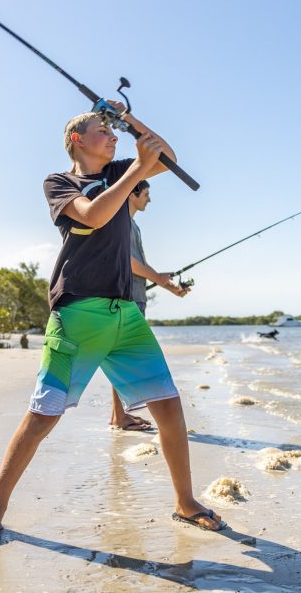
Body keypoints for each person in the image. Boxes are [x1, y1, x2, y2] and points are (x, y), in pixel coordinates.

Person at [0, 104, 224, 545]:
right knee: (42, 416)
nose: (114, 138)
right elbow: (93, 216)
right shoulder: (61, 183)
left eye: (114, 131)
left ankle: (185, 502)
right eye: (103, 130)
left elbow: (169, 157)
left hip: (125, 313)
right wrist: (135, 171)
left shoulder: (125, 167)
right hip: (77, 313)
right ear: (77, 140)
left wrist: (130, 120)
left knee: (169, 407)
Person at [109, 179, 189, 432]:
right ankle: (121, 417)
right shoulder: (120, 222)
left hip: (135, 297)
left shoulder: (134, 226)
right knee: (125, 358)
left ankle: (118, 415)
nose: (149, 199)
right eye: (146, 194)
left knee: (121, 357)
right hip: (127, 298)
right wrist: (159, 278)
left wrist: (172, 288)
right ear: (132, 193)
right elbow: (129, 262)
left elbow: (142, 267)